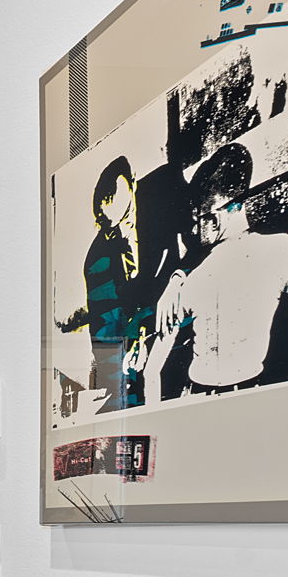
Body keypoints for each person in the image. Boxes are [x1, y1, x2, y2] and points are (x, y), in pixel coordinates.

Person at [155, 142, 288, 394]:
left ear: (215, 218)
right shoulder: (200, 269)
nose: (194, 231)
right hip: (201, 392)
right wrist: (176, 278)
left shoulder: (276, 249)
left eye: (197, 220)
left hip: (241, 390)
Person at [56, 156, 185, 411]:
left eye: (115, 195)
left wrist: (178, 277)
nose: (110, 204)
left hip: (179, 326)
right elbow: (105, 329)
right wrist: (134, 348)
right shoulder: (97, 259)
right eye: (104, 204)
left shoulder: (162, 203)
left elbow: (194, 246)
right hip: (136, 354)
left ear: (132, 185)